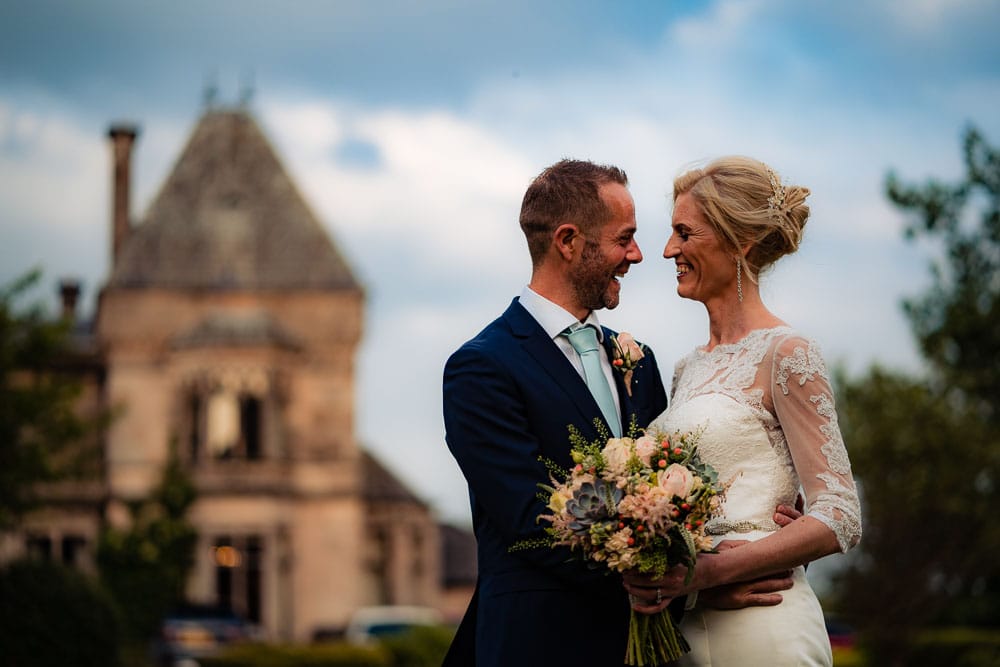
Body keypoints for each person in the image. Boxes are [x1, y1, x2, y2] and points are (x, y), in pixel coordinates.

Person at [624, 156, 863, 666]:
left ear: (739, 243)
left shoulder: (787, 352)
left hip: (764, 625)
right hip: (688, 623)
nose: (669, 250)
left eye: (684, 234)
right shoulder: (686, 369)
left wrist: (715, 569)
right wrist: (688, 581)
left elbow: (839, 514)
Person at [442, 159, 670, 666]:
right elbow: (528, 516)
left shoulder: (637, 359)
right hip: (540, 643)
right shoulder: (482, 367)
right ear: (568, 241)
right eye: (624, 237)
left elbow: (666, 480)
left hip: (648, 646)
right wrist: (654, 569)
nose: (635, 254)